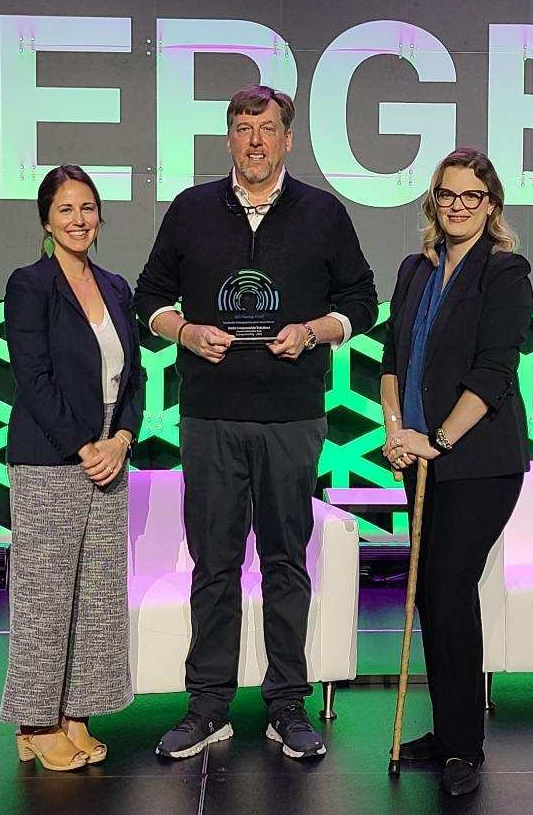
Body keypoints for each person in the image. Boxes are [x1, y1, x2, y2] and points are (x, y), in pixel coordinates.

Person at [135, 85, 378, 760]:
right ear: (229, 137)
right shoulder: (190, 211)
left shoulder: (323, 214)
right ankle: (207, 705)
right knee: (213, 563)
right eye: (243, 128)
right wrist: (183, 331)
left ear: (288, 138)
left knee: (284, 560)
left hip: (292, 417)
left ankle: (288, 704)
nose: (255, 141)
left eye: (267, 128)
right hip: (209, 416)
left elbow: (363, 301)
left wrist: (315, 330)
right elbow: (149, 298)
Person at [380, 148, 533, 797]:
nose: (459, 207)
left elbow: (493, 375)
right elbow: (390, 360)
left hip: (478, 461)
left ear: (492, 204)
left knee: (447, 587)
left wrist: (438, 438)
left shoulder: (506, 273)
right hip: (418, 458)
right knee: (430, 598)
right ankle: (445, 734)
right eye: (448, 196)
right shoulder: (415, 269)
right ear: (433, 202)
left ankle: (464, 747)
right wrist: (396, 432)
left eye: (472, 196)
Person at [1, 165, 145, 770]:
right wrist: (86, 444)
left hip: (109, 460)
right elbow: (32, 378)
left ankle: (75, 713)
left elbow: (133, 374)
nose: (79, 220)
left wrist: (123, 439)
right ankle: (35, 723)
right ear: (46, 219)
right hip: (51, 460)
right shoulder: (30, 284)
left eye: (87, 208)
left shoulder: (115, 285)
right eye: (66, 209)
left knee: (95, 595)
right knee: (45, 593)